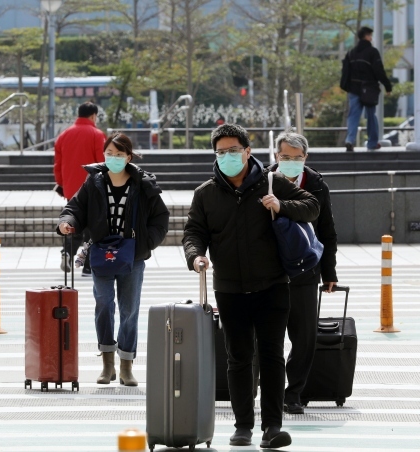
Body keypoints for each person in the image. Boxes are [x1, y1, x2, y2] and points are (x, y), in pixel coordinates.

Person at [182, 124, 319, 449]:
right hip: (229, 288)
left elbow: (312, 206)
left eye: (233, 150)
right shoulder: (206, 193)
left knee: (271, 355)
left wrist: (281, 206)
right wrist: (195, 256)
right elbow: (194, 232)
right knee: (239, 357)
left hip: (272, 285)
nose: (227, 157)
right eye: (221, 152)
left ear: (247, 151)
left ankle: (272, 427)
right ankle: (243, 425)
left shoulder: (272, 183)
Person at [57, 132, 170, 387]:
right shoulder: (94, 181)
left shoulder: (142, 184)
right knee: (104, 305)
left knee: (129, 310)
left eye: (119, 154)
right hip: (101, 254)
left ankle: (126, 366)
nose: (114, 158)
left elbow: (161, 217)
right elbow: (75, 208)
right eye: (109, 153)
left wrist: (145, 244)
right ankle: (107, 364)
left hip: (133, 256)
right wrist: (67, 222)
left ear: (129, 157)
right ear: (103, 155)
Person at [268, 132, 339, 415]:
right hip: (270, 272)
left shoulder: (317, 185)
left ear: (305, 158)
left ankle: (294, 393)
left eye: (296, 158)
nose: (291, 162)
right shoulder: (263, 181)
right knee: (268, 337)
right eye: (285, 157)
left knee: (305, 337)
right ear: (277, 156)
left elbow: (327, 231)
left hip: (306, 271)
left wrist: (329, 272)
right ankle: (270, 391)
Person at [53, 102, 106, 275]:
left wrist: (62, 184)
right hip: (92, 188)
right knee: (93, 226)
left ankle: (67, 251)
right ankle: (89, 265)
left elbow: (58, 164)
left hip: (71, 188)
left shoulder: (64, 135)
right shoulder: (96, 134)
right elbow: (101, 162)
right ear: (93, 115)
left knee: (74, 222)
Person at [343, 26, 393, 152]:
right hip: (369, 89)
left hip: (354, 89)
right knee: (371, 116)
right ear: (367, 36)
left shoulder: (351, 52)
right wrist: (387, 85)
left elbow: (345, 71)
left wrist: (347, 86)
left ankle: (350, 140)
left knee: (353, 116)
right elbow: (379, 70)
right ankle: (372, 143)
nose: (371, 38)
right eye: (370, 35)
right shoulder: (372, 52)